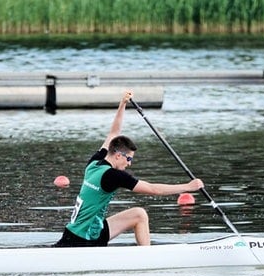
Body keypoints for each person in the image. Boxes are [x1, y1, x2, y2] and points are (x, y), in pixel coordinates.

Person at [54, 91, 204, 248]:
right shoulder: (114, 176)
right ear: (118, 155)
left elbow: (114, 133)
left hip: (80, 231)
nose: (130, 163)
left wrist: (123, 104)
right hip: (84, 239)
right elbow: (153, 189)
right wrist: (188, 187)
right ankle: (148, 259)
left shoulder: (95, 162)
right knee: (139, 214)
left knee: (139, 215)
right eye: (129, 159)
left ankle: (146, 255)